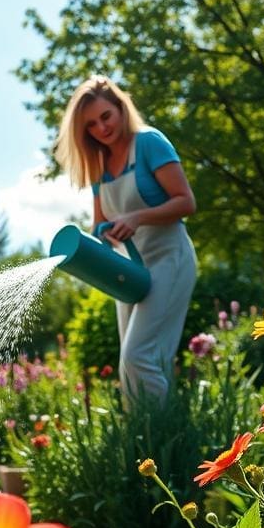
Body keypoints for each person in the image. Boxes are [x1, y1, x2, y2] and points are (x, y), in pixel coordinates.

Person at [55, 76, 197, 407]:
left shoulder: (149, 143)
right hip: (130, 271)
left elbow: (186, 202)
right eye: (91, 125)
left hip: (168, 258)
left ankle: (158, 440)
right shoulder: (99, 167)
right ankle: (144, 449)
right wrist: (98, 237)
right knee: (133, 364)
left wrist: (136, 217)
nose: (101, 128)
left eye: (106, 116)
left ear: (120, 107)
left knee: (138, 356)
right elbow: (99, 223)